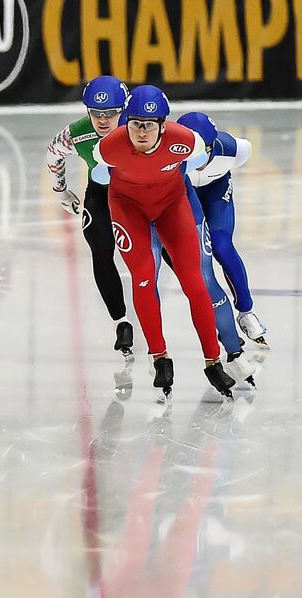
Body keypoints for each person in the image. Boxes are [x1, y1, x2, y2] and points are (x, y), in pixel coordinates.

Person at [91, 87, 235, 400]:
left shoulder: (186, 141)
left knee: (194, 281)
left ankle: (213, 361)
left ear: (162, 124)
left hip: (172, 205)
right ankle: (159, 357)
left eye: (149, 125)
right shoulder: (108, 148)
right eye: (134, 124)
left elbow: (199, 160)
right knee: (143, 278)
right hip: (128, 208)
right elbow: (101, 178)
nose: (141, 132)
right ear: (126, 122)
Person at [47, 75, 134, 362]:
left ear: (123, 110)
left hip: (139, 195)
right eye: (96, 113)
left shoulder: (140, 126)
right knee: (100, 251)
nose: (103, 119)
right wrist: (60, 189)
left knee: (165, 253)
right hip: (101, 193)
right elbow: (54, 153)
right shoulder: (77, 133)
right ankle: (120, 322)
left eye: (110, 113)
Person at [176, 111, 268, 348]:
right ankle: (221, 321)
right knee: (198, 260)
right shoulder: (169, 153)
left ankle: (246, 312)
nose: (197, 159)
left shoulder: (234, 149)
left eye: (204, 150)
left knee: (222, 246)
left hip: (216, 190)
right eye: (190, 151)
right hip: (183, 193)